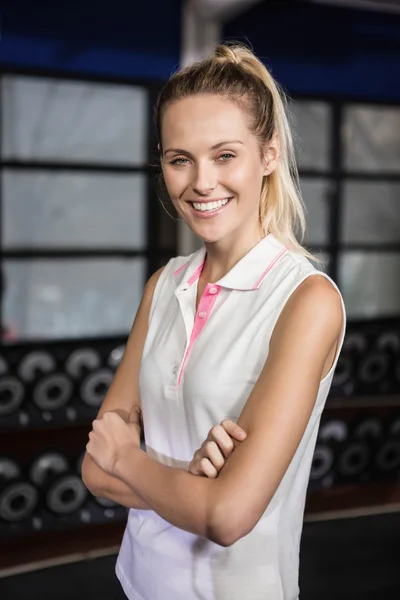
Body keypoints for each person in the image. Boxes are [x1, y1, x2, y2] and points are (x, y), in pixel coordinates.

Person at [82, 42, 346, 600]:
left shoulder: (306, 300)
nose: (201, 182)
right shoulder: (163, 286)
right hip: (139, 582)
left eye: (225, 155)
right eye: (180, 159)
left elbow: (227, 516)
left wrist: (133, 459)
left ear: (268, 155)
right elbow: (93, 469)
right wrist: (187, 486)